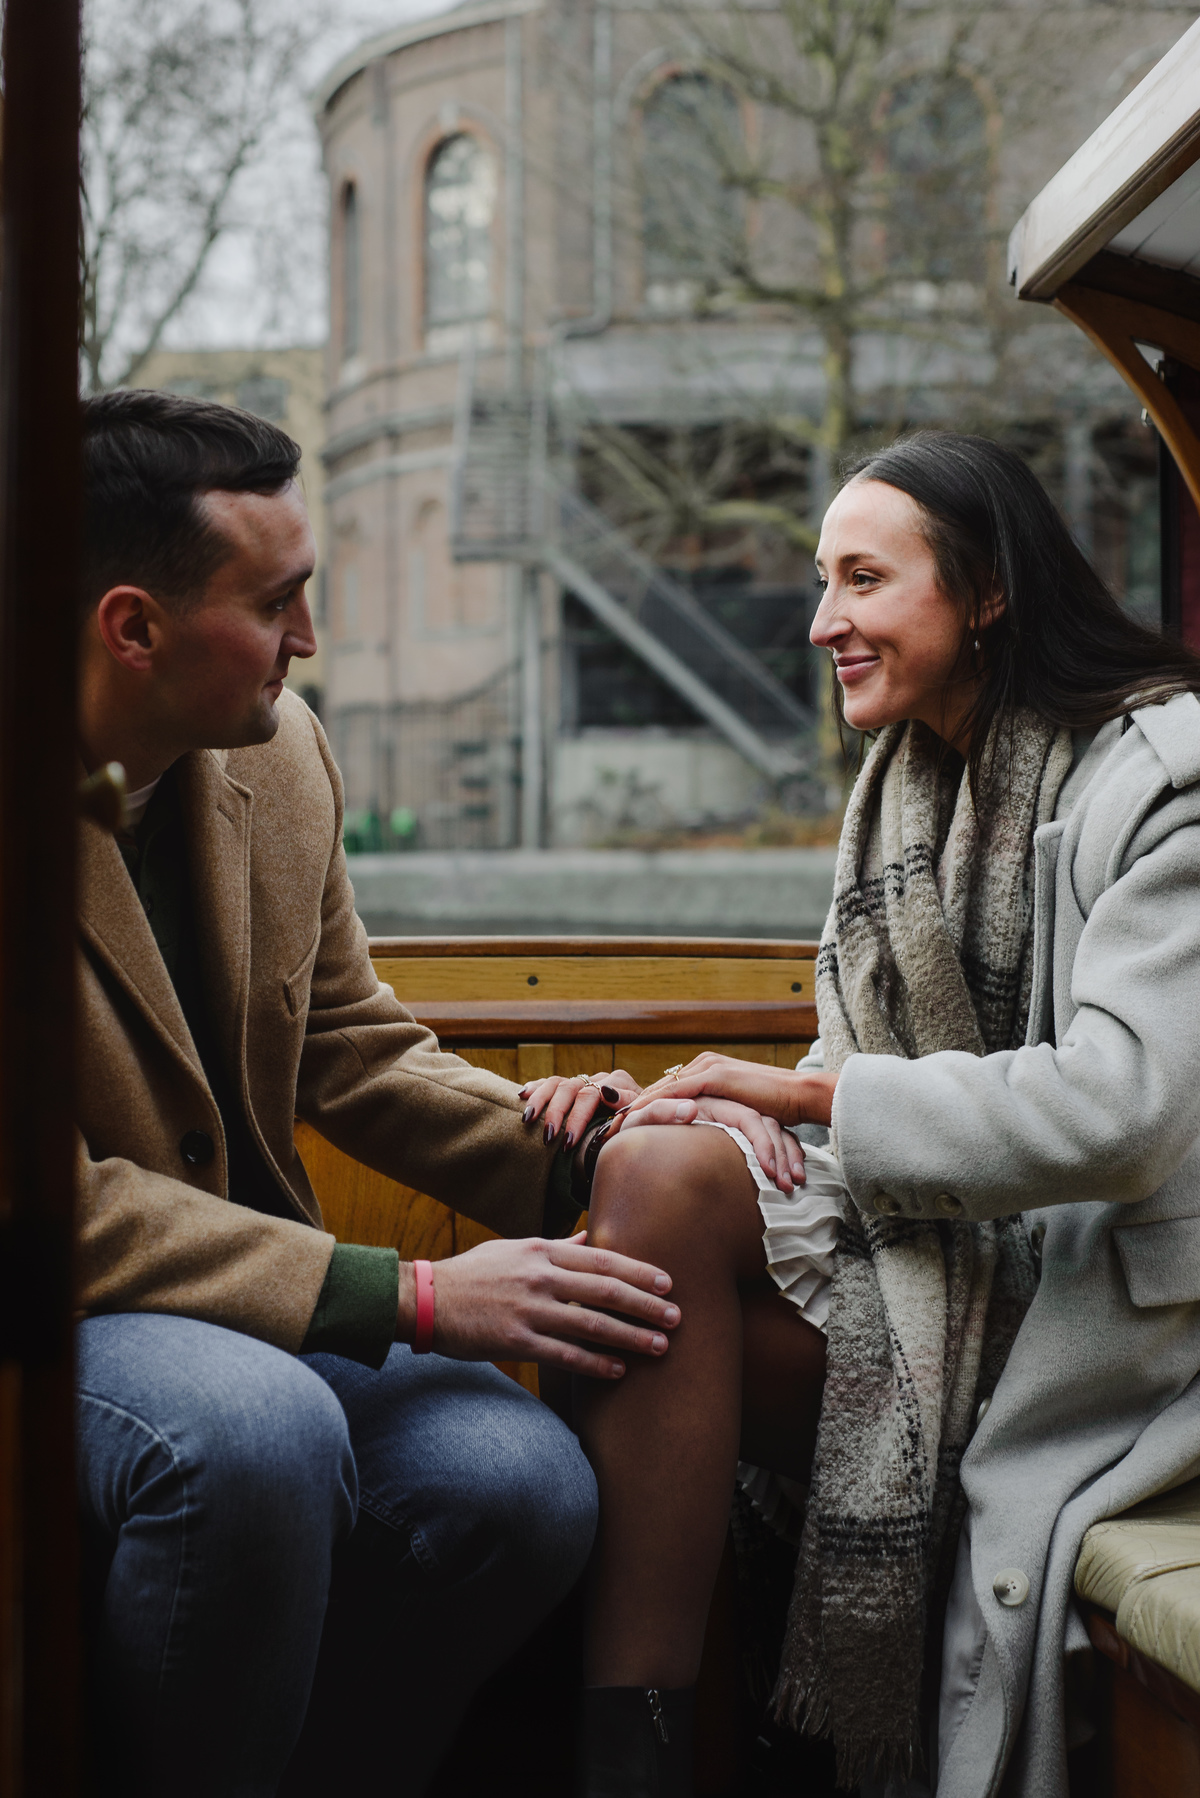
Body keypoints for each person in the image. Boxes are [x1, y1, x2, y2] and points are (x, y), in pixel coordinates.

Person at [520, 431, 1200, 1798]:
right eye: (822, 579)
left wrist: (819, 1096)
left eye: (863, 579)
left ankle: (692, 1748)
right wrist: (715, 1118)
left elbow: (1125, 1110)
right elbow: (876, 1077)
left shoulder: (1164, 777)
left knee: (667, 1228)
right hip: (962, 1256)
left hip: (1118, 1316)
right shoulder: (906, 788)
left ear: (988, 592)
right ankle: (633, 1755)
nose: (823, 619)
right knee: (654, 1166)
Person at [74, 389, 678, 1797]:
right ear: (132, 626)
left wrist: (587, 1156)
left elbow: (348, 1040)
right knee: (254, 1431)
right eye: (278, 600)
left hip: (264, 1309)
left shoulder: (279, 750)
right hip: (66, 1317)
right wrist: (406, 1296)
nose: (310, 641)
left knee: (518, 1486)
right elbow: (58, 1200)